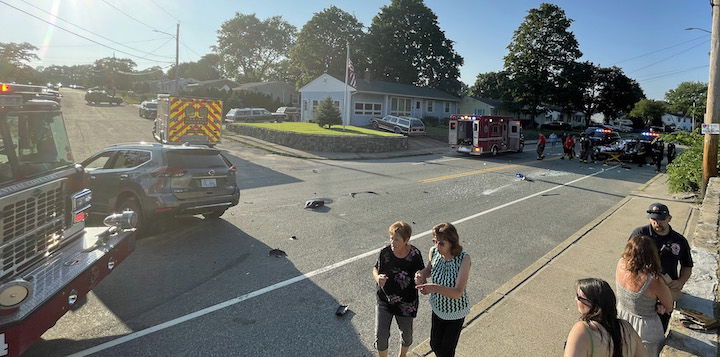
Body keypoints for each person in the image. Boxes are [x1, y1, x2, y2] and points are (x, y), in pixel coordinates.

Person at [629, 203, 693, 332]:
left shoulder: (679, 240)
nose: (657, 223)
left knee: (660, 327)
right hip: (643, 290)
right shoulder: (640, 234)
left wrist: (680, 282)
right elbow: (628, 259)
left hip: (666, 290)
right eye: (654, 219)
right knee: (636, 328)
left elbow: (687, 265)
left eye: (661, 219)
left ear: (669, 218)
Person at [415, 223, 471, 357]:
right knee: (434, 344)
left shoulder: (463, 259)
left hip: (455, 312)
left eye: (441, 243)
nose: (437, 246)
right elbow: (429, 270)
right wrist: (421, 275)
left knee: (446, 351)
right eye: (435, 242)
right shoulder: (434, 252)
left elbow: (457, 292)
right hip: (438, 308)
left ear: (452, 243)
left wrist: (433, 288)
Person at [373, 221, 425, 357]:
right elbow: (375, 268)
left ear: (406, 240)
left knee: (407, 336)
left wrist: (420, 279)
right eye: (391, 237)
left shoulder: (414, 254)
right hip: (385, 299)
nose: (392, 241)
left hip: (406, 303)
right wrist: (377, 277)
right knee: (381, 336)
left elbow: (422, 274)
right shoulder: (384, 252)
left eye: (396, 239)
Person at [616, 235, 673, 356]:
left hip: (621, 319)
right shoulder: (654, 281)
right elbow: (669, 306)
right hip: (645, 330)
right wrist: (658, 304)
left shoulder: (620, 264)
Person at [564, 278, 648, 357]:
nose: (576, 300)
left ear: (593, 304)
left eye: (578, 297)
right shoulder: (626, 327)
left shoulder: (582, 330)